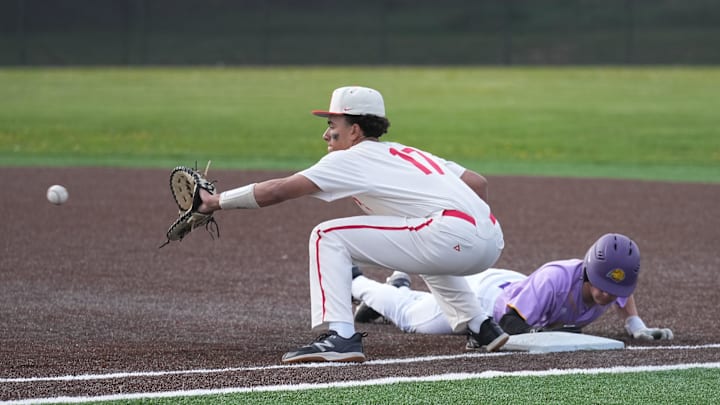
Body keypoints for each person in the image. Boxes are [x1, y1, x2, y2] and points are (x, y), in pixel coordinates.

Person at [197, 86, 508, 363]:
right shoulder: (407, 153)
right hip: (491, 238)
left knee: (326, 236)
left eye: (332, 125)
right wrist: (471, 229)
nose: (326, 134)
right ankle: (481, 326)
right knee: (426, 244)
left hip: (450, 235)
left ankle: (339, 335)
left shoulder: (351, 158)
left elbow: (279, 190)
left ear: (355, 130)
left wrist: (215, 201)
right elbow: (477, 183)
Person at [352, 233, 674, 342]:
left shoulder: (612, 284)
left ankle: (398, 285)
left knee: (411, 308)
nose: (606, 294)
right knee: (412, 320)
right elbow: (510, 325)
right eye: (602, 285)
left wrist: (635, 324)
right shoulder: (556, 280)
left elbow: (622, 292)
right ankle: (358, 282)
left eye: (612, 288)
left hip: (513, 286)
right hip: (484, 300)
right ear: (589, 270)